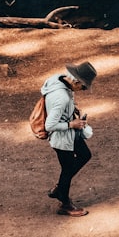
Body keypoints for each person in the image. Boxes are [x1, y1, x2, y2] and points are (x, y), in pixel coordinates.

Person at [42, 61, 97, 216]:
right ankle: (64, 203)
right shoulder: (61, 98)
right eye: (84, 86)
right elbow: (49, 125)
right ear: (76, 81)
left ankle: (60, 189)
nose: (84, 90)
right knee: (67, 170)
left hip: (70, 134)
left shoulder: (58, 79)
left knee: (85, 155)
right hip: (62, 138)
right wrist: (71, 124)